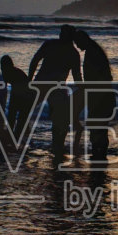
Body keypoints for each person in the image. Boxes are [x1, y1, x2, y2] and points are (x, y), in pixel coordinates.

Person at [27, 24, 82, 160]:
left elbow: (35, 60)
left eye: (63, 33)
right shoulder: (70, 52)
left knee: (56, 119)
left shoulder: (56, 47)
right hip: (49, 86)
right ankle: (55, 145)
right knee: (29, 112)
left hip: (48, 85)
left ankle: (56, 146)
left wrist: (30, 80)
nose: (61, 35)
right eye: (61, 33)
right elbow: (77, 77)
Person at [73, 28, 117, 161]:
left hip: (100, 98)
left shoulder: (92, 53)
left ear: (83, 40)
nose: (77, 46)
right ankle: (100, 157)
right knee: (100, 130)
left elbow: (95, 80)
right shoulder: (95, 51)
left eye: (77, 43)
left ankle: (99, 158)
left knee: (97, 130)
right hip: (105, 97)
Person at [0, 54, 34, 136]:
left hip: (25, 95)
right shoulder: (15, 71)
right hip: (28, 95)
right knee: (21, 119)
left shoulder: (7, 73)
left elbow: (3, 89)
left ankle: (13, 134)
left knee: (15, 116)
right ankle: (19, 134)